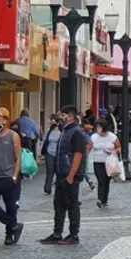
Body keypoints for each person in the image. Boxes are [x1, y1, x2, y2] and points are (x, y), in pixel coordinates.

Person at [40, 105, 87, 246]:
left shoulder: (76, 132)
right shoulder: (66, 131)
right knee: (59, 204)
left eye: (63, 115)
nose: (61, 117)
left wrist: (71, 175)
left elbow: (78, 155)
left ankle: (74, 234)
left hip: (69, 174)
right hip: (62, 173)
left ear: (70, 116)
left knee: (72, 204)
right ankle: (57, 233)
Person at [0, 107, 24, 245]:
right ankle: (13, 224)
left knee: (11, 207)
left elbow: (18, 157)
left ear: (5, 121)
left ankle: (10, 234)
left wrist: (15, 176)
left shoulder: (13, 136)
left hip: (8, 177)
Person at [88, 119, 121, 208]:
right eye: (97, 127)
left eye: (99, 126)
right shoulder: (94, 137)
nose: (98, 128)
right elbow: (88, 148)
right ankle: (100, 199)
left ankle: (104, 199)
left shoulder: (112, 137)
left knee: (107, 181)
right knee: (101, 180)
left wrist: (113, 151)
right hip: (97, 162)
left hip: (109, 162)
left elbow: (118, 147)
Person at [40, 115, 63, 195]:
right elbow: (44, 141)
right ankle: (47, 188)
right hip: (49, 152)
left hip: (59, 153)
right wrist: (42, 153)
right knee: (50, 170)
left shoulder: (62, 131)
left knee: (58, 171)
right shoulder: (49, 130)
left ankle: (59, 187)